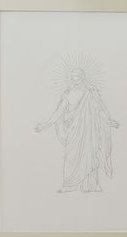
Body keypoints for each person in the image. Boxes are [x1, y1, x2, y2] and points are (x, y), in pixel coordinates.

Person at [32, 64, 118, 192]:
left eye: (77, 77)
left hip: (89, 131)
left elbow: (98, 110)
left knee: (89, 155)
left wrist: (108, 120)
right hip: (73, 132)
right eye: (73, 77)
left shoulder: (90, 93)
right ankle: (69, 185)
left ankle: (90, 185)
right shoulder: (68, 94)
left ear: (83, 78)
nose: (75, 80)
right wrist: (45, 125)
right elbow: (58, 112)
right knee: (70, 157)